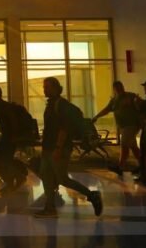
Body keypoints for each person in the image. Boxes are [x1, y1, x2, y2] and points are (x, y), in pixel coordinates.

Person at [35, 77, 102, 218]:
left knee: (62, 179)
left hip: (58, 148)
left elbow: (64, 129)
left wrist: (59, 148)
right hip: (48, 148)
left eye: (46, 87)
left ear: (54, 88)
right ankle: (49, 208)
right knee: (47, 177)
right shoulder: (52, 104)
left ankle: (92, 195)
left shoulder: (62, 105)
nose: (44, 89)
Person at [92, 81, 141, 176]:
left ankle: (120, 166)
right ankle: (143, 165)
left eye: (120, 87)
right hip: (123, 127)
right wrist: (97, 116)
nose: (119, 89)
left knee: (124, 144)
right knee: (133, 146)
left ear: (123, 87)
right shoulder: (114, 100)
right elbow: (106, 110)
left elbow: (140, 105)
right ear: (114, 89)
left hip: (131, 125)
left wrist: (138, 104)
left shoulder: (130, 96)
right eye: (117, 88)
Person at [0, 86, 27, 192]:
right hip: (7, 137)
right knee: (4, 159)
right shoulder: (1, 106)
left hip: (8, 137)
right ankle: (14, 179)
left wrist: (13, 137)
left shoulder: (2, 106)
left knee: (3, 160)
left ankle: (16, 177)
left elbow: (13, 121)